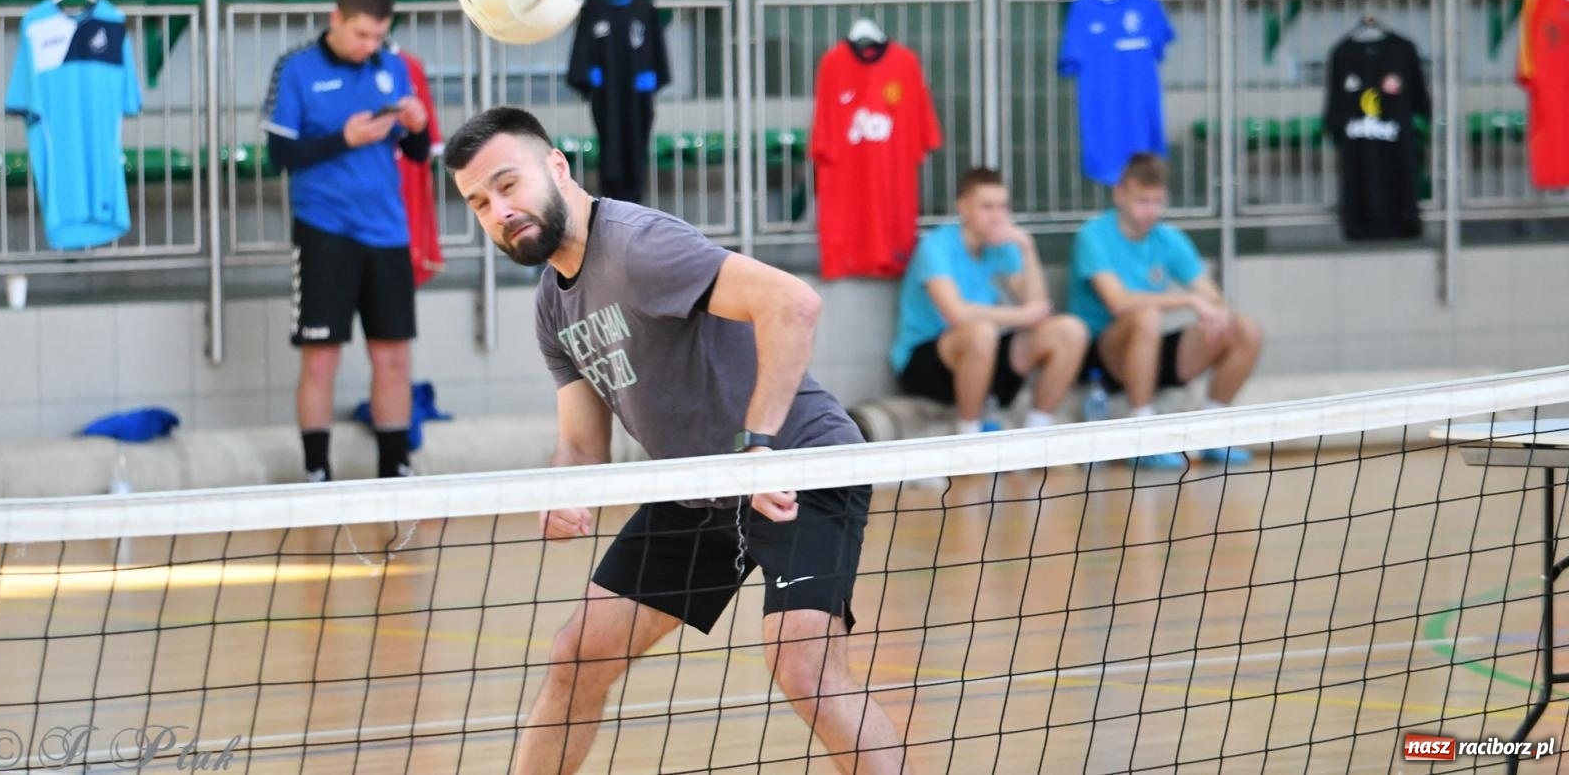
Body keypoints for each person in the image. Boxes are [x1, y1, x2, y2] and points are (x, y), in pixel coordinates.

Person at [447, 106, 909, 775]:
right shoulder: (553, 302)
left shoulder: (637, 246)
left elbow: (792, 303)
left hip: (800, 467)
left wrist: (759, 449)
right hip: (697, 491)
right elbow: (580, 442)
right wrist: (562, 487)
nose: (498, 210)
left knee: (805, 671)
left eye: (507, 184)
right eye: (479, 203)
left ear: (556, 166)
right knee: (576, 660)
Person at [260, 0, 430, 482]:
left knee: (394, 357)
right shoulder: (296, 69)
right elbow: (280, 155)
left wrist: (417, 129)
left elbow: (417, 156)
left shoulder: (392, 68)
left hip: (387, 231)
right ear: (336, 19)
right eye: (361, 35)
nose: (369, 47)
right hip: (324, 229)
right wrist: (344, 138)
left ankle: (394, 469)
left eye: (378, 37)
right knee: (320, 360)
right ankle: (317, 472)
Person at [1067, 153, 1263, 467]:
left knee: (1244, 329)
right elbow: (1118, 303)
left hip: (1151, 345)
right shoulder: (1093, 235)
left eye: (1157, 202)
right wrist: (1187, 301)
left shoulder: (1170, 240)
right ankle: (1142, 436)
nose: (1150, 211)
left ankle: (1212, 430)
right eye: (1141, 201)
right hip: (1102, 354)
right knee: (1145, 316)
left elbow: (1210, 296)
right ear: (1120, 195)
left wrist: (1215, 311)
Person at [889, 167, 1087, 435]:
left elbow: (1038, 307)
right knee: (981, 332)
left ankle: (1037, 432)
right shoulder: (936, 247)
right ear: (963, 207)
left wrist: (1027, 248)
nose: (997, 216)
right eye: (987, 207)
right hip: (928, 362)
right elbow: (956, 314)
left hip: (986, 353)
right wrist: (1022, 316)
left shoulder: (1003, 246)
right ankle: (969, 436)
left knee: (1070, 330)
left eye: (1003, 207)